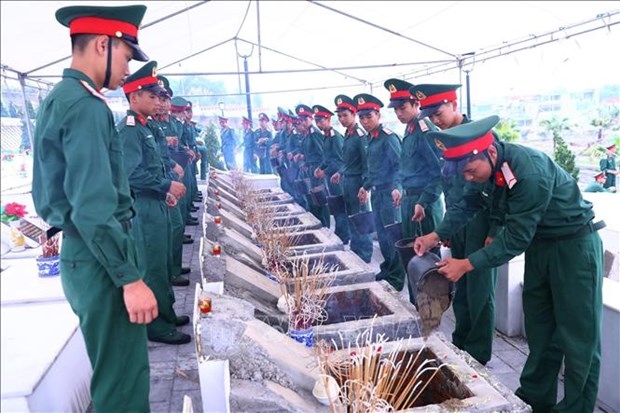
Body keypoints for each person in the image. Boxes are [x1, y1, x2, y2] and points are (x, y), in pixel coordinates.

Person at [415, 115, 605, 413]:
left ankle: (575, 408)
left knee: (578, 339)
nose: (468, 177)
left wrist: (466, 264)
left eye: (469, 170)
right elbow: (467, 203)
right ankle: (534, 400)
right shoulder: (487, 171)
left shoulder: (529, 170)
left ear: (489, 152)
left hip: (574, 248)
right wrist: (436, 235)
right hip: (541, 248)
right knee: (541, 330)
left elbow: (516, 236)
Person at [31, 5, 157, 411]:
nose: (125, 71)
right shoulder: (85, 107)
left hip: (85, 253)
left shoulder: (62, 99)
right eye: (124, 56)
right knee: (122, 383)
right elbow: (92, 208)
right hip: (101, 258)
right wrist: (130, 279)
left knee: (114, 373)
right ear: (103, 44)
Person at [410, 83, 499, 366]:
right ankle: (462, 342)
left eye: (439, 112)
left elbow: (500, 191)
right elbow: (445, 181)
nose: (436, 120)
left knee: (480, 291)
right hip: (459, 221)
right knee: (457, 285)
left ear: (454, 104)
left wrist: (495, 231)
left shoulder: (481, 134)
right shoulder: (443, 140)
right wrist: (446, 230)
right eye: (431, 116)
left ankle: (478, 353)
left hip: (482, 223)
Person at [118, 61, 191, 345]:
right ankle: (157, 326)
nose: (157, 101)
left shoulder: (145, 127)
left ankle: (167, 313)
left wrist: (165, 192)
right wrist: (165, 185)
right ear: (134, 96)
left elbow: (153, 166)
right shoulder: (130, 129)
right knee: (151, 267)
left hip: (155, 203)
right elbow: (132, 174)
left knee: (160, 262)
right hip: (143, 208)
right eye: (151, 96)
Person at [353, 93, 405, 288]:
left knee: (392, 236)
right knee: (382, 236)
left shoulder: (388, 138)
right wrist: (365, 186)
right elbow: (373, 168)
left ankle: (397, 278)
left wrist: (397, 187)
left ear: (378, 115)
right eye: (362, 118)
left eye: (369, 116)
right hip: (377, 193)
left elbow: (400, 165)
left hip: (389, 195)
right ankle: (388, 269)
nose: (365, 121)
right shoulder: (370, 139)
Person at [331, 94, 373, 263]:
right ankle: (356, 250)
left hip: (358, 182)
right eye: (339, 116)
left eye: (345, 115)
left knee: (361, 219)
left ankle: (365, 253)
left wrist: (365, 187)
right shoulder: (348, 134)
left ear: (354, 114)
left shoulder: (359, 134)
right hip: (347, 180)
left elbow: (366, 163)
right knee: (351, 217)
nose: (342, 119)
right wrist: (340, 172)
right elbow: (348, 161)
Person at [313, 104, 350, 244]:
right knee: (335, 206)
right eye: (317, 120)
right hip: (330, 177)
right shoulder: (326, 137)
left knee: (340, 207)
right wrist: (320, 167)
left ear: (328, 119)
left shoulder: (335, 137)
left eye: (321, 120)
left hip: (338, 178)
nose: (318, 123)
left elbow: (340, 160)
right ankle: (340, 233)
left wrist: (326, 171)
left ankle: (344, 236)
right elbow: (327, 158)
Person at [295, 104, 330, 227]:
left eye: (306, 119)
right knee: (311, 199)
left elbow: (323, 154)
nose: (303, 122)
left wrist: (320, 169)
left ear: (311, 119)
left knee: (320, 200)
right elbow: (308, 153)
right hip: (309, 170)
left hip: (316, 170)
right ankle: (317, 223)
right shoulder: (307, 134)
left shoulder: (315, 134)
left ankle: (325, 226)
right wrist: (303, 161)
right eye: (301, 120)